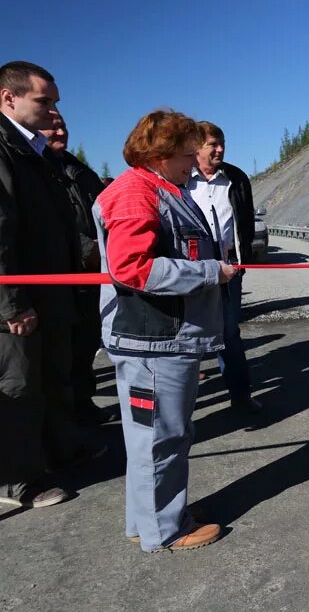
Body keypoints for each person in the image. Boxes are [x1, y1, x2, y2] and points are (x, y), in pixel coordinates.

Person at [95, 110, 234, 551]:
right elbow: (133, 268)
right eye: (187, 152)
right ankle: (167, 530)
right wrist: (211, 271)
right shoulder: (136, 192)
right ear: (160, 153)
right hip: (154, 339)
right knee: (163, 438)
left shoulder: (157, 188)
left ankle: (146, 522)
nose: (194, 160)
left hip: (161, 337)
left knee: (150, 437)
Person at [0, 61, 96, 509]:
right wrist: (11, 302)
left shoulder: (36, 152)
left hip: (54, 291)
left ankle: (60, 451)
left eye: (55, 101)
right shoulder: (4, 149)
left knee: (54, 375)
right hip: (20, 297)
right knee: (19, 385)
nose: (53, 110)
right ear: (9, 98)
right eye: (44, 101)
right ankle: (16, 482)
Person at [187, 121, 261, 413]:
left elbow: (245, 220)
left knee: (229, 332)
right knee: (189, 333)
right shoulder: (181, 179)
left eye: (222, 143)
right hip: (191, 271)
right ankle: (184, 401)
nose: (220, 149)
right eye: (212, 144)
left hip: (230, 268)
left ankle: (241, 396)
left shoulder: (236, 178)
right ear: (196, 147)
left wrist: (243, 261)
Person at [39, 114, 108, 425]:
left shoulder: (81, 171)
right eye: (52, 126)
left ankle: (82, 400)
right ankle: (62, 415)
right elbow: (50, 223)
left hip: (91, 275)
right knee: (60, 350)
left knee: (87, 340)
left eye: (64, 126)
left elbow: (104, 211)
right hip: (60, 274)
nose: (60, 131)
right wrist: (87, 250)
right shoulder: (36, 168)